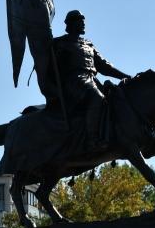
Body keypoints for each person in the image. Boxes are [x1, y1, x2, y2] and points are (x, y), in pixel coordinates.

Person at [53, 10, 130, 148]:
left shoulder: (88, 44)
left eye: (83, 21)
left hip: (91, 80)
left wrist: (125, 76)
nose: (83, 24)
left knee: (115, 98)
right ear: (70, 24)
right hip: (74, 81)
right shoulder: (60, 43)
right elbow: (51, 67)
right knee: (97, 98)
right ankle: (92, 139)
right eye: (79, 21)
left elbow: (105, 67)